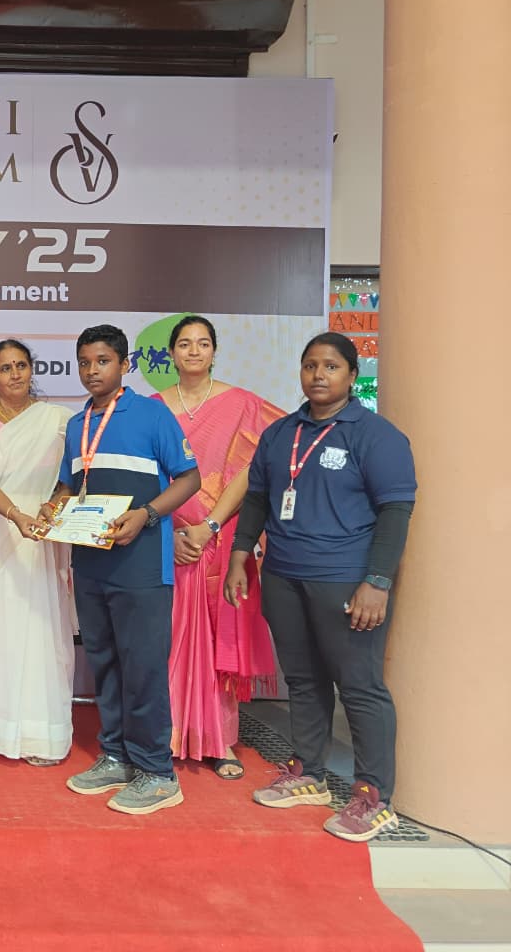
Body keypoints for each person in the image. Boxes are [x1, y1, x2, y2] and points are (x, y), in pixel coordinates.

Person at [226, 332, 415, 842]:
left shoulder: (377, 436)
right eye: (310, 365)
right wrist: (241, 553)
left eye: (331, 366)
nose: (318, 375)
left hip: (347, 580)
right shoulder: (280, 433)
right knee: (304, 681)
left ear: (352, 375)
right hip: (284, 576)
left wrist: (377, 582)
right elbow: (257, 498)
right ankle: (308, 774)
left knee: (359, 686)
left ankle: (374, 798)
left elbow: (396, 511)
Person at [47, 324, 200, 815]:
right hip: (90, 562)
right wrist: (52, 508)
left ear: (124, 364)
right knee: (105, 662)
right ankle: (116, 755)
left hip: (142, 564)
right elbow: (68, 486)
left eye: (103, 361)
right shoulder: (78, 424)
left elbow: (190, 478)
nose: (93, 371)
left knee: (143, 666)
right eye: (85, 363)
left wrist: (147, 515)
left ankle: (157, 773)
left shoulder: (152, 414)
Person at [156, 316, 283, 779]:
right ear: (171, 353)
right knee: (166, 641)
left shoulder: (243, 405)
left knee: (218, 641)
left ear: (214, 351)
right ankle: (167, 736)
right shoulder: (152, 408)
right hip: (167, 540)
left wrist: (208, 526)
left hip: (221, 539)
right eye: (184, 343)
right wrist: (170, 532)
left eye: (203, 343)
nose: (194, 351)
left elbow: (255, 469)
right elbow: (144, 475)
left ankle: (221, 740)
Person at [0, 339, 75, 767]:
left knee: (43, 634)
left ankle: (43, 735)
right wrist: (16, 515)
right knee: (0, 633)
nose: (15, 374)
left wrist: (53, 507)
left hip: (42, 534)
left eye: (21, 365)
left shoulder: (58, 420)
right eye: (5, 368)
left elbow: (71, 476)